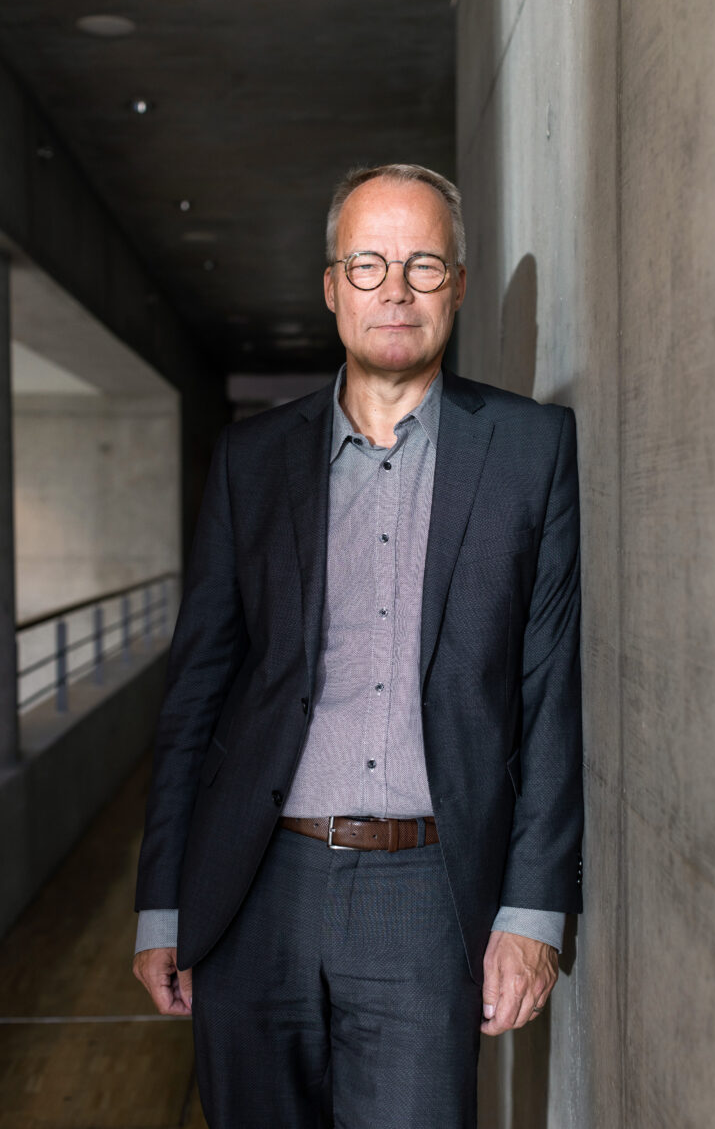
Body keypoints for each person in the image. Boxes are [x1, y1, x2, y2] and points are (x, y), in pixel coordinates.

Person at [133, 163, 583, 1128]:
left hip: (429, 897)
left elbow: (549, 690)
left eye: (423, 265)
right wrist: (163, 903)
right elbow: (196, 695)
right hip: (254, 888)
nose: (395, 289)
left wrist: (533, 912)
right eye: (368, 264)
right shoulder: (252, 461)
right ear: (333, 285)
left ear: (457, 284)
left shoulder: (532, 450)